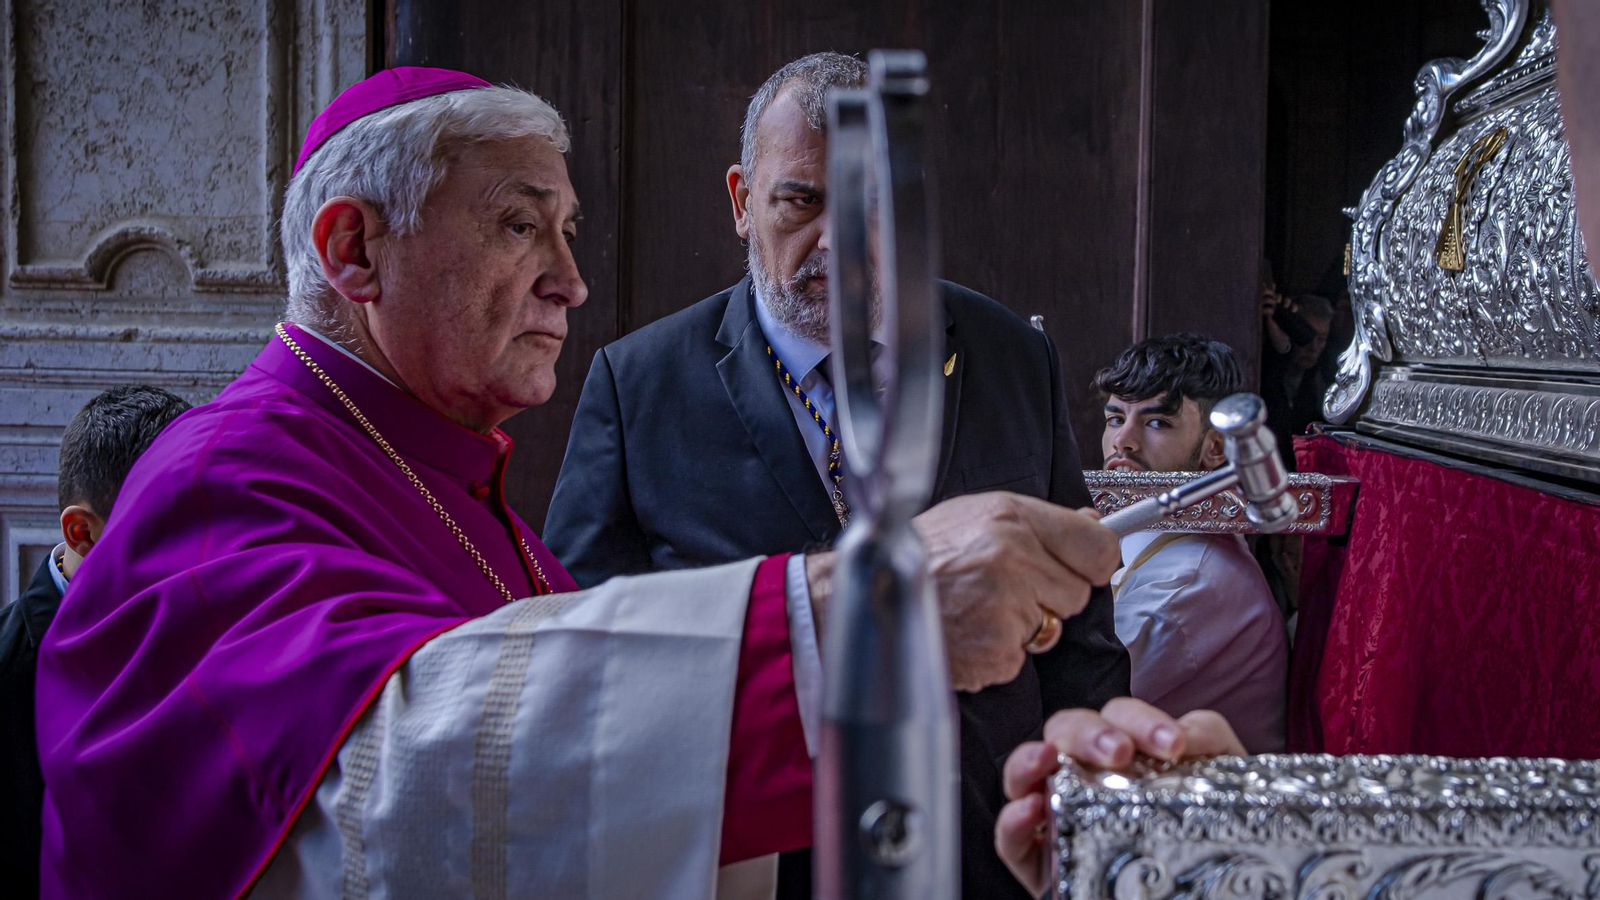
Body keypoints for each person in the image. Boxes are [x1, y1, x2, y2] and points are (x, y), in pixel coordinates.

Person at [34, 67, 1122, 900]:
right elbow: (385, 793)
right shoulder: (223, 486)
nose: (570, 278)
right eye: (518, 225)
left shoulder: (456, 483)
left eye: (565, 230)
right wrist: (870, 618)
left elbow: (586, 808)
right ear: (355, 249)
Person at [544, 51, 1128, 899]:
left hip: (981, 848)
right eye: (803, 201)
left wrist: (1091, 830)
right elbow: (581, 641)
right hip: (752, 860)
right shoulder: (639, 385)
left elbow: (1084, 632)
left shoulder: (1012, 356)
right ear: (745, 203)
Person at [0, 385, 190, 896]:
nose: (194, 553)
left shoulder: (212, 626)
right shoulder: (8, 675)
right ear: (80, 531)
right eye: (162, 530)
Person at [1095, 334, 1287, 752]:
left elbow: (1071, 701)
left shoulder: (1186, 580)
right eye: (1115, 419)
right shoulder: (1152, 537)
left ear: (1215, 449)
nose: (1122, 441)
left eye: (1157, 422)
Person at [1260, 292, 1333, 469]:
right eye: (1307, 335)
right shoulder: (1265, 371)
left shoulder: (1323, 384)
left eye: (1321, 339)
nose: (1313, 347)